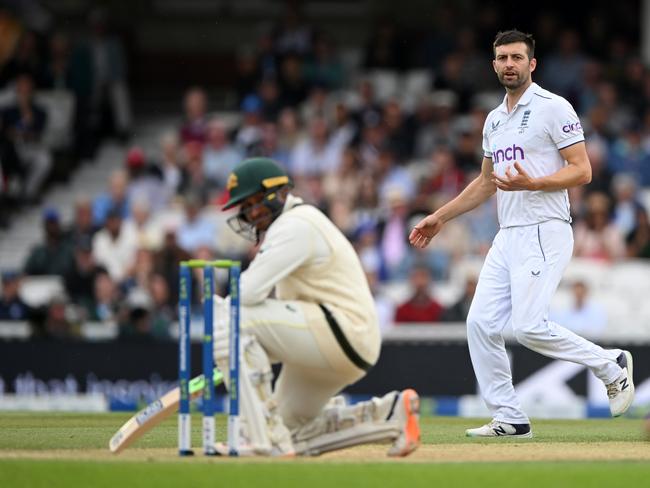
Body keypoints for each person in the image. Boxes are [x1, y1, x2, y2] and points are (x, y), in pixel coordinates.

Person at [409, 30, 634, 438]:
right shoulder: (494, 119)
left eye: (516, 57)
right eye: (502, 58)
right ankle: (509, 417)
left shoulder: (553, 107)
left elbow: (582, 170)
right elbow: (485, 182)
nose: (509, 64)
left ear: (532, 64)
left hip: (545, 228)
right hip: (507, 233)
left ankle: (610, 363)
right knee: (479, 324)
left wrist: (535, 184)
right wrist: (439, 217)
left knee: (528, 327)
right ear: (493, 65)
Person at [213, 157, 420, 457]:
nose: (250, 213)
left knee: (226, 319)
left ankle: (259, 438)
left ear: (279, 193)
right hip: (343, 340)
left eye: (254, 202)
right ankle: (390, 416)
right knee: (292, 434)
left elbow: (246, 294)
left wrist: (220, 338)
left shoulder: (295, 224)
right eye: (245, 208)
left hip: (341, 331)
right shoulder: (293, 224)